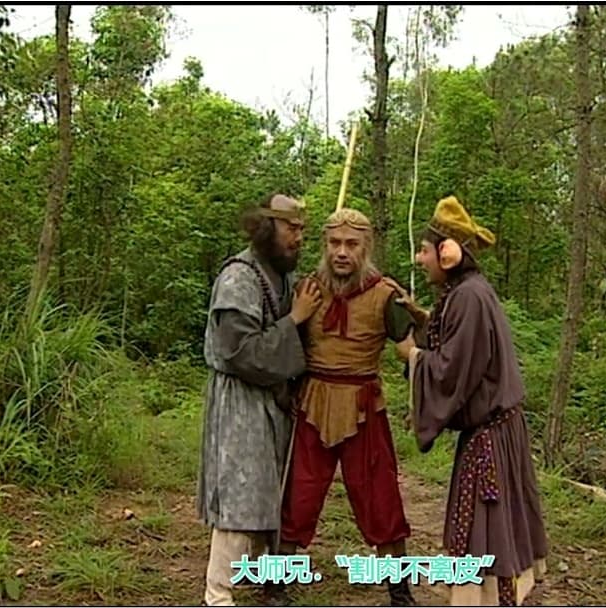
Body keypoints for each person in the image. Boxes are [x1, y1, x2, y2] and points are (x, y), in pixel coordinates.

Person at [394, 195, 549, 606]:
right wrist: (424, 318)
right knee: (488, 531)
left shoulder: (468, 297)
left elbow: (453, 368)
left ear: (446, 253)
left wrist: (413, 356)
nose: (419, 259)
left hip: (489, 441)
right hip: (497, 435)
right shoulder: (469, 292)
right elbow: (463, 342)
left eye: (424, 250)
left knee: (484, 534)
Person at [276, 207, 418, 606]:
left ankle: (399, 591)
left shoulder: (386, 295)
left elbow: (408, 351)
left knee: (381, 498)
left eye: (351, 244)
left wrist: (425, 386)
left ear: (365, 247)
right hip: (313, 403)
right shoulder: (307, 290)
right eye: (335, 243)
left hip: (364, 408)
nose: (342, 252)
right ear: (325, 244)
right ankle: (275, 583)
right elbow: (283, 343)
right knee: (297, 496)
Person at [197, 193, 323, 607]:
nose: (298, 238)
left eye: (302, 230)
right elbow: (240, 352)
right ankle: (218, 594)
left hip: (272, 400)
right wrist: (295, 318)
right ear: (267, 228)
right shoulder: (238, 278)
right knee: (242, 492)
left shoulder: (281, 276)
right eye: (291, 228)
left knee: (272, 491)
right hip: (241, 400)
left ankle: (263, 578)